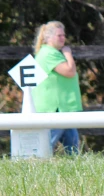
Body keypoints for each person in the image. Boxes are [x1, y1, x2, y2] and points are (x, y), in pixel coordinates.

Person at [33, 21, 83, 154]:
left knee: (72, 148)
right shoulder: (49, 54)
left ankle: (75, 169)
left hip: (62, 107)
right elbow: (69, 71)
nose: (63, 38)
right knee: (46, 146)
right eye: (59, 35)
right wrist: (68, 54)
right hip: (55, 108)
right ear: (48, 38)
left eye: (63, 35)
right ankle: (34, 165)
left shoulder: (49, 53)